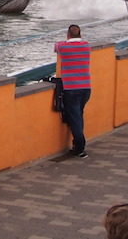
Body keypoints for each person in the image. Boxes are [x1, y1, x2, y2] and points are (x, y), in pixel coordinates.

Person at [54, 24, 91, 158]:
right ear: (80, 35)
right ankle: (77, 144)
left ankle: (80, 148)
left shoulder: (63, 47)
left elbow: (56, 45)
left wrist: (66, 40)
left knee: (75, 119)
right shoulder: (86, 46)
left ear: (68, 35)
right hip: (86, 88)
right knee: (79, 115)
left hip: (71, 88)